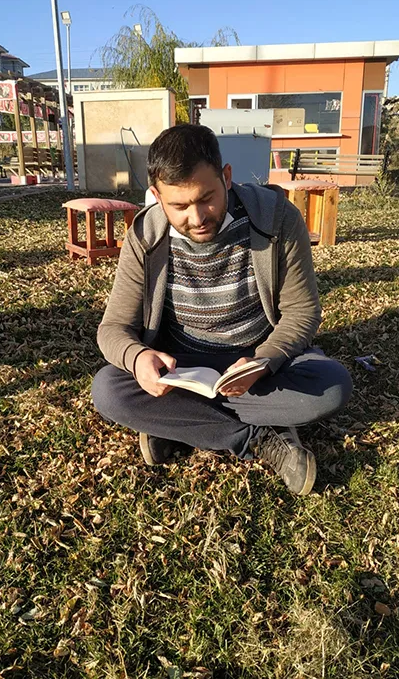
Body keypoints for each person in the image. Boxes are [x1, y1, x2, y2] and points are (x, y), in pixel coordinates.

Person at [92, 125, 353, 496]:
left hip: (256, 364)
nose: (197, 217)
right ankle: (257, 438)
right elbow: (113, 328)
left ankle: (177, 423)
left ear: (226, 177)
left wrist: (265, 360)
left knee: (332, 387)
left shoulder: (277, 219)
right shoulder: (144, 236)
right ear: (157, 196)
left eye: (207, 198)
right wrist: (137, 358)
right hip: (181, 368)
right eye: (179, 206)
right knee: (108, 390)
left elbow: (302, 312)